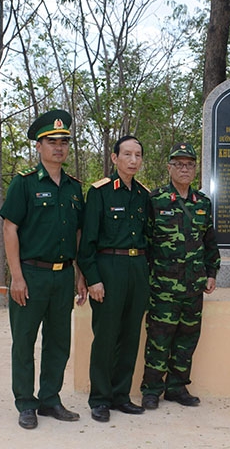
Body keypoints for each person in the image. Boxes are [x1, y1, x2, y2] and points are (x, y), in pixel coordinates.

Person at [0, 109, 87, 430]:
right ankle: (25, 402)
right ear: (39, 146)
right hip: (31, 274)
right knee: (24, 340)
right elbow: (10, 228)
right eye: (52, 142)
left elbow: (78, 233)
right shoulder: (23, 184)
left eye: (64, 142)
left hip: (63, 275)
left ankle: (50, 398)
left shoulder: (75, 188)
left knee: (58, 341)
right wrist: (16, 277)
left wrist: (79, 273)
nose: (59, 147)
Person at [140, 142, 221, 409]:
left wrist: (212, 273)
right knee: (159, 339)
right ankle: (152, 389)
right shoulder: (155, 200)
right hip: (163, 287)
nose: (184, 169)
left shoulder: (203, 204)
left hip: (193, 287)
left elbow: (210, 242)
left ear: (195, 169)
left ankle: (176, 387)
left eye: (189, 164)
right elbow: (145, 243)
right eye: (179, 164)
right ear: (169, 168)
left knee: (187, 339)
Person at [77, 136, 150, 423]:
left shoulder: (144, 195)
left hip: (137, 268)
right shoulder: (100, 192)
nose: (133, 160)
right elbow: (87, 243)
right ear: (114, 157)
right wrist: (93, 278)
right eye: (127, 154)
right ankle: (100, 398)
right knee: (106, 336)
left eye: (138, 155)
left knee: (130, 335)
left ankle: (121, 395)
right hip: (109, 267)